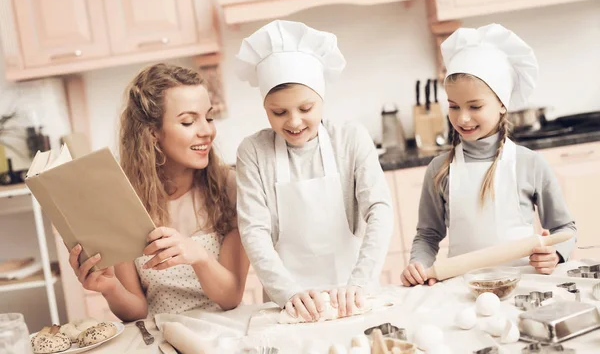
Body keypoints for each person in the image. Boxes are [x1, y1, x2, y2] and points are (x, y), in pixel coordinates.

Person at [235, 20, 393, 322]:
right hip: (291, 308)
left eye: (306, 109)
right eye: (279, 112)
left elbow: (380, 210)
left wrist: (359, 281)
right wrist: (288, 294)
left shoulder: (350, 139)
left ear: (321, 99)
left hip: (354, 298)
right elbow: (254, 232)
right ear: (265, 107)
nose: (294, 122)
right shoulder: (253, 152)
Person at [67, 63, 249, 320]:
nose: (207, 131)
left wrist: (199, 257)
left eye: (208, 117)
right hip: (160, 337)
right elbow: (137, 311)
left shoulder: (228, 187)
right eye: (188, 121)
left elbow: (231, 297)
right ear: (153, 133)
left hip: (226, 332)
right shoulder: (123, 199)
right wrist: (110, 288)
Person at [401, 24, 577, 287]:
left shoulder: (530, 163)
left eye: (475, 106)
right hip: (462, 288)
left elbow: (565, 230)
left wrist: (555, 255)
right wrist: (419, 265)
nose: (462, 117)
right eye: (453, 106)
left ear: (502, 103)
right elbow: (427, 235)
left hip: (524, 288)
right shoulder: (440, 169)